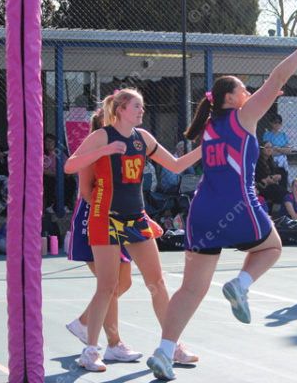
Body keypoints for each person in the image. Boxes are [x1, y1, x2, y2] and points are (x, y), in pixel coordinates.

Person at [147, 17, 297, 381]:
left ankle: (164, 351)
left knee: (191, 288)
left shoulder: (210, 127)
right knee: (272, 248)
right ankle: (240, 285)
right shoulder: (243, 117)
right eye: (244, 88)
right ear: (231, 97)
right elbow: (278, 75)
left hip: (202, 210)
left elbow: (268, 89)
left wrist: (265, 96)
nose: (248, 91)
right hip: (237, 204)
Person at [64, 88, 201, 372]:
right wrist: (103, 151)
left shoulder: (143, 138)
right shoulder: (102, 136)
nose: (142, 111)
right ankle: (90, 351)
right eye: (137, 106)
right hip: (105, 217)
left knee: (157, 283)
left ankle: (172, 345)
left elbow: (176, 166)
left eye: (142, 106)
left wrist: (207, 147)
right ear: (121, 109)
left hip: (136, 218)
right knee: (107, 286)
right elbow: (69, 166)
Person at [43, 133, 76, 213]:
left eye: (51, 141)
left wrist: (68, 173)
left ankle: (64, 205)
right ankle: (49, 205)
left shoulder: (59, 153)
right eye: (47, 142)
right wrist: (56, 175)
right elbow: (43, 171)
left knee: (71, 182)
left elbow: (67, 164)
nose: (49, 144)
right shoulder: (42, 155)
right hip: (50, 176)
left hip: (61, 176)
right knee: (49, 182)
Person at [255, 140, 288, 211]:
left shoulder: (270, 160)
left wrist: (276, 177)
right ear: (261, 149)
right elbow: (262, 179)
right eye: (267, 147)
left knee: (282, 171)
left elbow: (272, 174)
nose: (270, 149)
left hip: (270, 184)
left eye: (271, 147)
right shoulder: (258, 162)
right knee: (283, 193)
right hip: (261, 187)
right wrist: (270, 179)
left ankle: (283, 191)